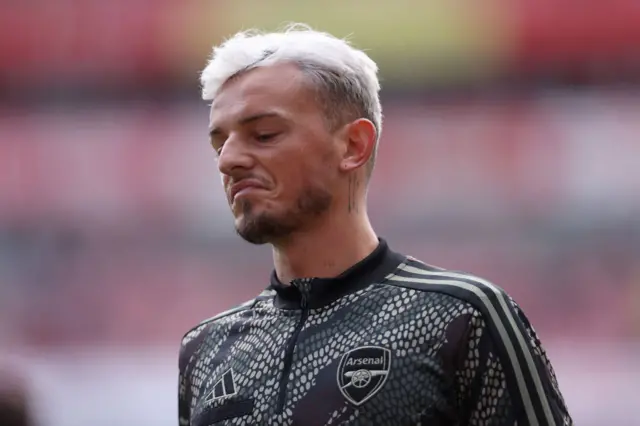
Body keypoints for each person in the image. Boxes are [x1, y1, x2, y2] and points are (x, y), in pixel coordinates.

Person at [178, 23, 572, 426]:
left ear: (353, 146)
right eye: (219, 144)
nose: (228, 160)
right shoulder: (206, 350)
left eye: (263, 134)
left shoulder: (460, 318)